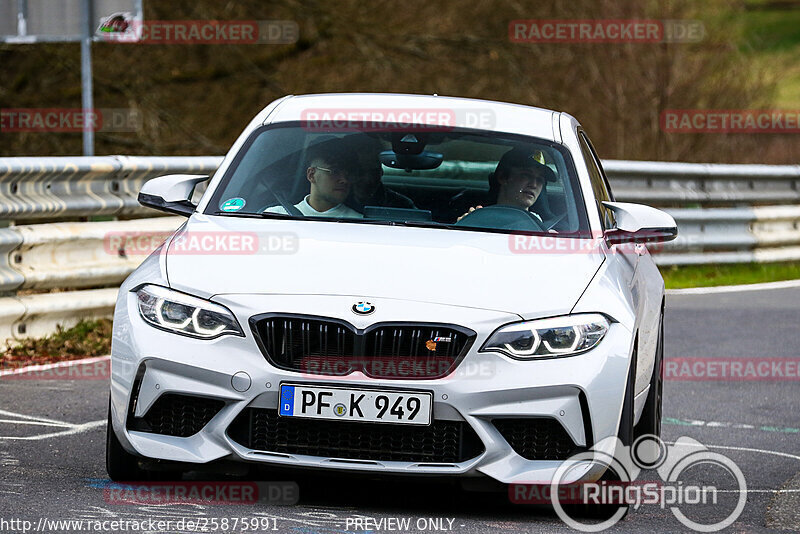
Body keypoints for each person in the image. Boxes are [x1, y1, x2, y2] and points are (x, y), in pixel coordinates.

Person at [265, 139, 363, 218]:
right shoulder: (276, 216)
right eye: (334, 172)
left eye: (348, 174)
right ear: (311, 175)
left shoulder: (360, 222)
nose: (344, 180)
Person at [458, 147, 556, 222]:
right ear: (503, 177)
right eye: (526, 175)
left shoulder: (543, 230)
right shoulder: (478, 219)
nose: (534, 185)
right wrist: (464, 226)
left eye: (539, 180)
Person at [340, 134, 416, 211]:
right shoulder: (335, 200)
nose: (368, 179)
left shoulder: (401, 205)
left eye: (374, 172)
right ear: (348, 172)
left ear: (381, 172)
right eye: (360, 172)